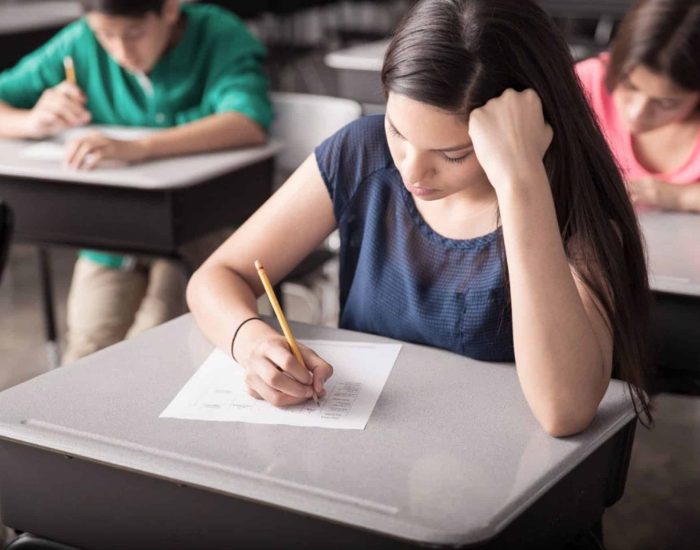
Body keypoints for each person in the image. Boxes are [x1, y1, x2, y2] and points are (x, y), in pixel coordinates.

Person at [187, 0, 653, 439]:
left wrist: (520, 182)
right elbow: (216, 276)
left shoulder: (566, 203)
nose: (411, 171)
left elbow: (564, 410)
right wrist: (252, 345)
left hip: (498, 480)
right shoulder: (361, 152)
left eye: (452, 154)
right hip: (364, 459)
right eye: (397, 130)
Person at [0, 0, 272, 362]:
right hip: (114, 233)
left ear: (170, 9)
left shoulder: (218, 35)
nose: (120, 51)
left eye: (135, 34)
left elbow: (246, 122)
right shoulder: (80, 41)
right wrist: (31, 121)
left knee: (157, 343)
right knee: (86, 348)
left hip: (205, 228)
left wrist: (139, 147)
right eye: (106, 36)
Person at [576, 0, 700, 212]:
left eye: (666, 103)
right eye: (629, 86)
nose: (636, 113)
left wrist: (673, 196)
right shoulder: (584, 85)